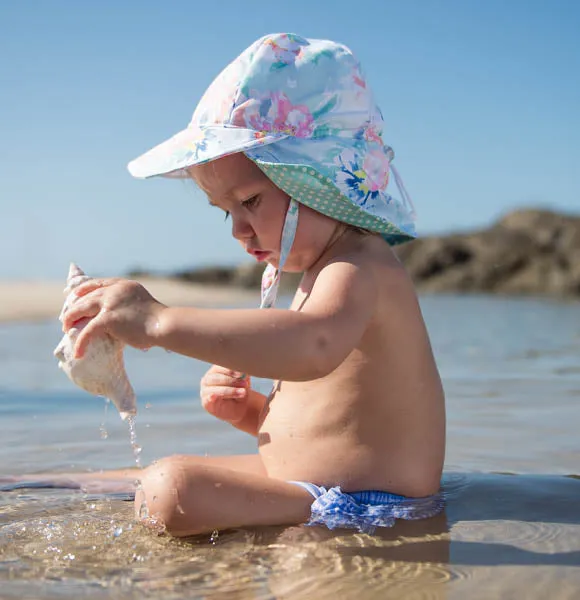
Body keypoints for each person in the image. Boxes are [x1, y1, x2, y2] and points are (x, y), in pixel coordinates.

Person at [59, 33, 446, 537]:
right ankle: (26, 482)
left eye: (251, 202)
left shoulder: (359, 266)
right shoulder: (325, 269)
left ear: (316, 179)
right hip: (326, 486)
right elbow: (332, 425)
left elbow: (314, 345)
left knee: (169, 488)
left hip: (371, 503)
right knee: (133, 478)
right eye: (226, 214)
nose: (240, 230)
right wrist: (252, 413)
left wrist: (159, 321)